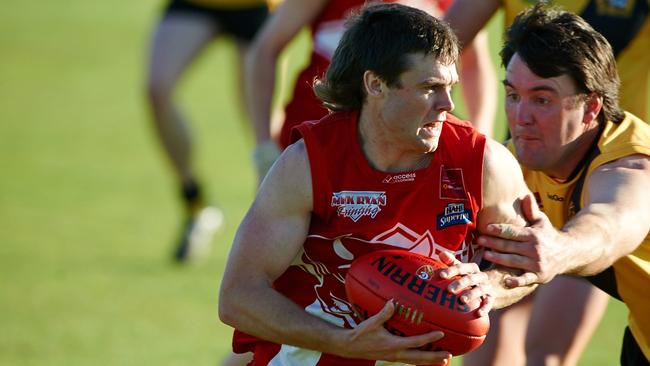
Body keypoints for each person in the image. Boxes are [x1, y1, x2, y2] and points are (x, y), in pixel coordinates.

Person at [219, 3, 542, 365]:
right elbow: (239, 295)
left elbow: (526, 262)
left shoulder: (483, 162)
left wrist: (489, 287)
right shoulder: (309, 163)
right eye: (429, 87)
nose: (447, 104)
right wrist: (343, 341)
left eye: (449, 86)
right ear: (375, 84)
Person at [443, 1, 649, 363]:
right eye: (512, 96)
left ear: (591, 107)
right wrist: (479, 288)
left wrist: (559, 250)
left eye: (541, 99)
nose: (520, 118)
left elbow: (610, 225)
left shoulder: (630, 166)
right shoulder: (512, 165)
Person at [245, 0, 498, 185]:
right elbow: (266, 48)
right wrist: (264, 146)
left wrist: (480, 139)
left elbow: (473, 61)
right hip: (317, 143)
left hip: (408, 154)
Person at [145, 0, 271, 262]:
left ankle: (273, 233)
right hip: (196, 4)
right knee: (157, 89)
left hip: (258, 8)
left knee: (263, 124)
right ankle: (195, 203)